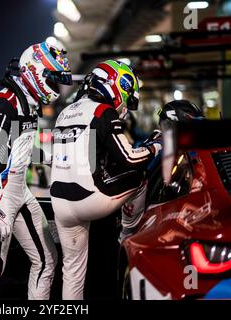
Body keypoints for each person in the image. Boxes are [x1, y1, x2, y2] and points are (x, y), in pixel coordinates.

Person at [0, 41, 73, 300]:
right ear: (36, 72)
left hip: (18, 191)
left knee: (47, 259)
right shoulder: (5, 102)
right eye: (53, 78)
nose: (56, 87)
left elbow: (14, 150)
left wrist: (56, 158)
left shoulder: (28, 103)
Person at [50, 59, 161, 300]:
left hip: (59, 203)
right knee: (138, 177)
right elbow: (129, 159)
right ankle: (128, 235)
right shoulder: (103, 111)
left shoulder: (65, 113)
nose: (126, 106)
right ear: (116, 85)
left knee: (73, 272)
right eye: (127, 94)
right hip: (88, 200)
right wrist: (155, 147)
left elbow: (81, 159)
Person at [120, 99, 205, 240]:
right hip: (161, 206)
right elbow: (137, 170)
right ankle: (125, 235)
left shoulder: (190, 145)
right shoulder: (160, 141)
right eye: (192, 124)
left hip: (183, 200)